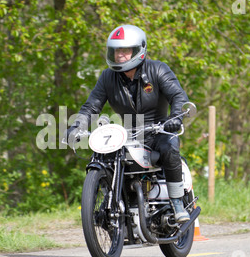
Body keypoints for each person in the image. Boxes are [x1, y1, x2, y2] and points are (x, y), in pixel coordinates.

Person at [65, 25, 190, 223]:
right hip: (129, 133)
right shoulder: (108, 77)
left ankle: (177, 202)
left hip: (159, 130)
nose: (120, 55)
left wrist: (175, 118)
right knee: (105, 156)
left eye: (125, 51)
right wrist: (76, 126)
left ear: (138, 50)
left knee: (170, 146)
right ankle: (113, 204)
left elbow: (178, 97)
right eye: (116, 51)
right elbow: (91, 106)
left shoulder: (158, 69)